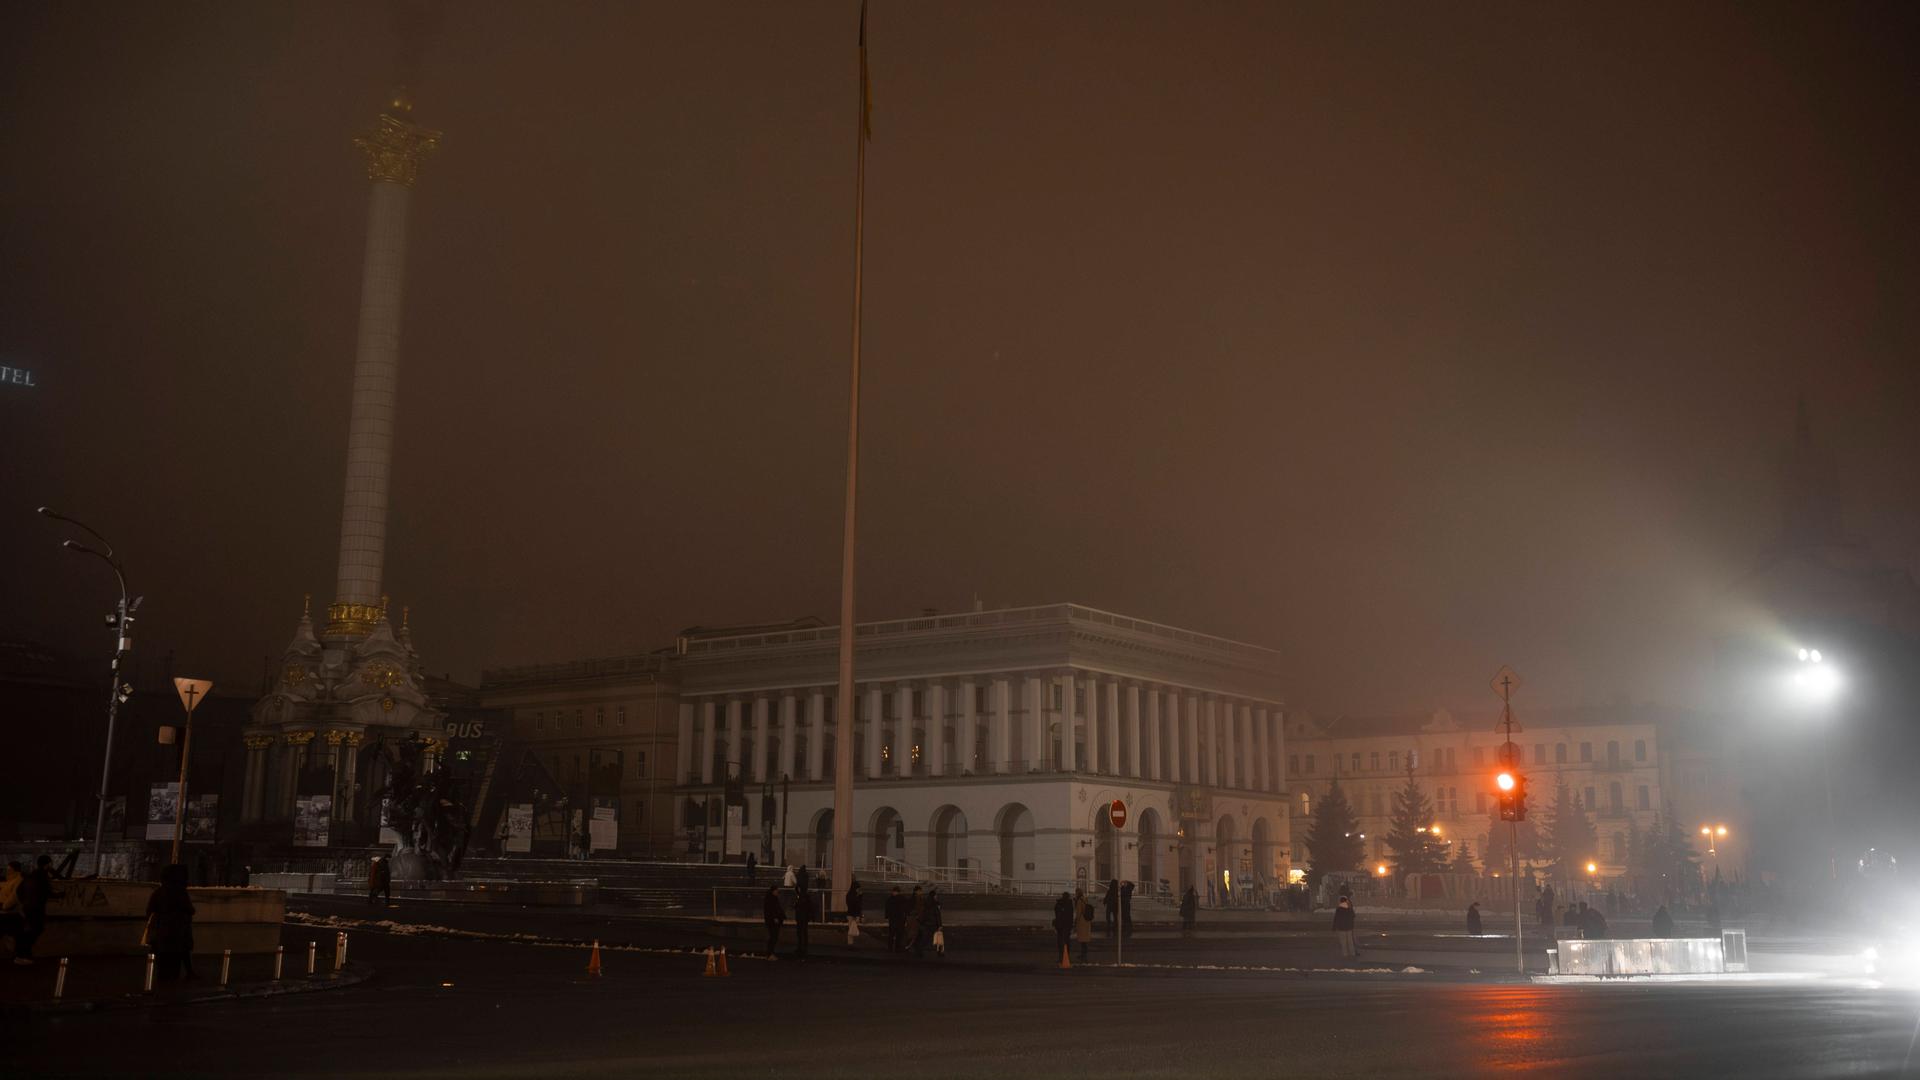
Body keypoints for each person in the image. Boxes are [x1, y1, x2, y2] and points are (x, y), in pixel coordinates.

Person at [147, 864, 196, 981]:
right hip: (178, 932)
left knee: (163, 960)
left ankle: (162, 981)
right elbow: (190, 909)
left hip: (162, 931)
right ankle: (174, 982)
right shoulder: (180, 892)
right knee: (176, 959)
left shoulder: (159, 892)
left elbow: (149, 910)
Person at [15, 855, 55, 966]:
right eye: (51, 863)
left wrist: (24, 902)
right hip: (37, 908)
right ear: (47, 864)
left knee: (28, 931)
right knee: (35, 930)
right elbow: (47, 892)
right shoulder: (43, 876)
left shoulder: (30, 875)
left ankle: (20, 955)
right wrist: (59, 895)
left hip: (27, 907)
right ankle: (25, 955)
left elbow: (19, 890)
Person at [762, 885, 785, 956]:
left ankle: (770, 952)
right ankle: (770, 953)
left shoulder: (772, 898)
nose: (777, 892)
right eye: (776, 890)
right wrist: (775, 918)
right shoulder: (771, 899)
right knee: (773, 937)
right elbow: (772, 910)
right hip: (772, 921)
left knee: (773, 937)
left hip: (772, 920)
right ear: (773, 891)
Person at [1073, 887, 1094, 963]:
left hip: (1082, 921)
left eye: (1076, 892)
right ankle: (1084, 954)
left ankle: (1083, 954)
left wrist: (1075, 921)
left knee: (1082, 940)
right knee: (1084, 940)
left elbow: (1078, 912)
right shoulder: (1085, 898)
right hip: (1086, 921)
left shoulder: (1079, 900)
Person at [1052, 891, 1074, 961]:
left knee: (1060, 940)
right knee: (1067, 941)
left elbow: (1056, 913)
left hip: (1060, 925)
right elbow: (1071, 916)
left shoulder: (1059, 903)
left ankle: (1061, 956)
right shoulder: (1069, 904)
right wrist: (1071, 925)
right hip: (1067, 925)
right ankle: (1066, 955)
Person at [792, 883, 812, 960]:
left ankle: (803, 948)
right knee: (800, 933)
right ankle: (801, 947)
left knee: (802, 932)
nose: (798, 890)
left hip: (802, 917)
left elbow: (804, 906)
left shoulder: (803, 897)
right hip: (801, 917)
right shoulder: (801, 896)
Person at [903, 886, 924, 957]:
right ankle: (908, 947)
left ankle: (909, 947)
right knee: (913, 934)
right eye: (920, 891)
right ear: (916, 891)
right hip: (914, 919)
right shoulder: (915, 899)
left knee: (914, 934)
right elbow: (916, 909)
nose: (921, 892)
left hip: (915, 919)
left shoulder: (918, 898)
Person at [924, 889, 945, 957]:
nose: (937, 896)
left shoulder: (927, 903)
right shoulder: (935, 904)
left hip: (928, 923)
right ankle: (939, 951)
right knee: (939, 937)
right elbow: (937, 915)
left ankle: (920, 949)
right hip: (934, 923)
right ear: (933, 896)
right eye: (936, 895)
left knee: (926, 938)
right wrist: (940, 925)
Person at [885, 886, 906, 952]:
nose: (894, 893)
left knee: (892, 934)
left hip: (894, 919)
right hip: (899, 919)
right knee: (898, 934)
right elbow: (904, 909)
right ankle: (896, 948)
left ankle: (891, 948)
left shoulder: (890, 899)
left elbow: (887, 909)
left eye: (895, 892)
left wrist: (887, 916)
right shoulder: (902, 899)